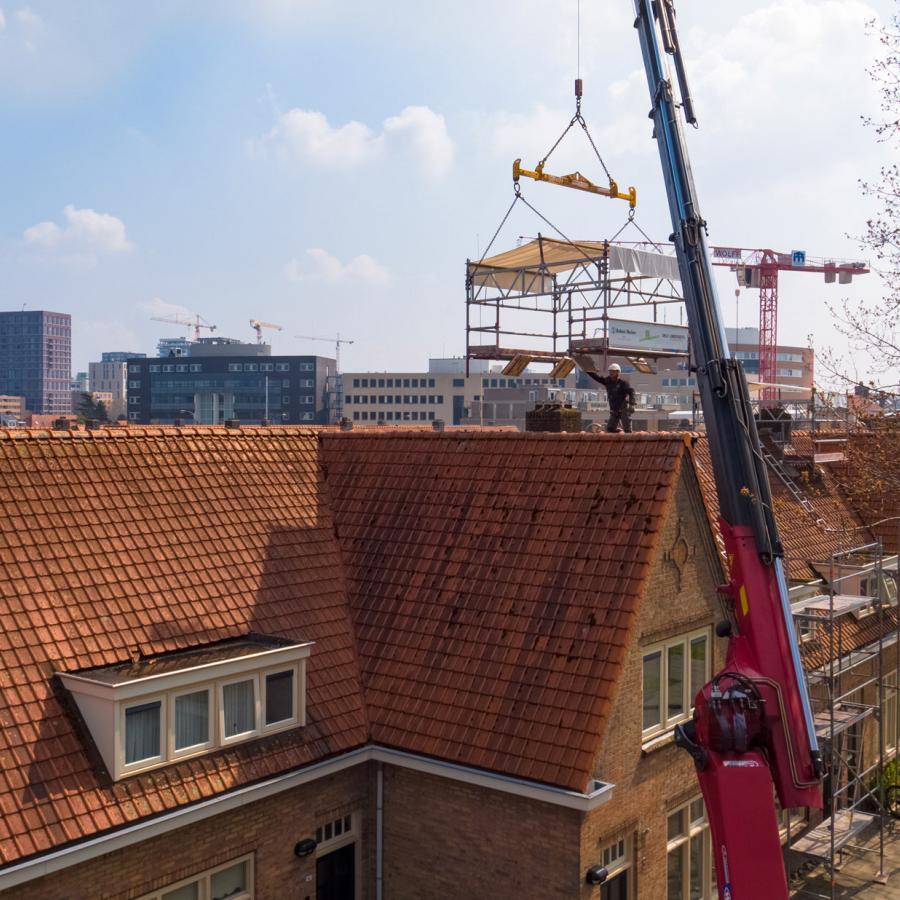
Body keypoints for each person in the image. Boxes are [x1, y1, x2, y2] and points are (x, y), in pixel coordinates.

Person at [588, 363, 636, 433]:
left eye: (613, 371)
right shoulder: (607, 381)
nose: (611, 373)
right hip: (614, 408)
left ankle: (629, 440)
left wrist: (632, 404)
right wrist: (589, 370)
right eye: (610, 371)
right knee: (610, 429)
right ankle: (618, 435)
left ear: (618, 372)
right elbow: (597, 378)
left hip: (623, 407)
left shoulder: (623, 383)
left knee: (627, 429)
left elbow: (631, 392)